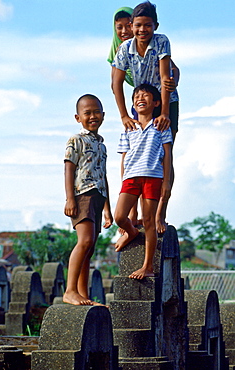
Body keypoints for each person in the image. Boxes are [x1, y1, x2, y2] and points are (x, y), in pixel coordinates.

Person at [112, 1, 179, 233]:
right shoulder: (125, 49)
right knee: (137, 154)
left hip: (165, 101)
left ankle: (159, 213)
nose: (143, 30)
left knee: (163, 154)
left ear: (155, 26)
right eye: (138, 25)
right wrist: (123, 116)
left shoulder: (161, 41)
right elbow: (116, 83)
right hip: (140, 103)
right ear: (132, 26)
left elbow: (165, 77)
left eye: (147, 26)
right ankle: (133, 214)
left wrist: (165, 114)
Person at [114, 83, 172, 279]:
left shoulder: (161, 125)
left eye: (146, 95)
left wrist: (166, 182)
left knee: (149, 222)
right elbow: (123, 158)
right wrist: (123, 180)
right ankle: (131, 233)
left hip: (153, 176)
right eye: (137, 96)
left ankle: (148, 266)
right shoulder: (128, 128)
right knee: (120, 217)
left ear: (156, 102)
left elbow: (167, 155)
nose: (140, 98)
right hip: (131, 177)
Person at [63, 94, 113, 305]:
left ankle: (81, 293)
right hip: (82, 194)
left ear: (103, 115)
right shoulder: (76, 140)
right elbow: (68, 169)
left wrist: (107, 209)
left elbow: (104, 177)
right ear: (78, 117)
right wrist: (70, 199)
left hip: (98, 197)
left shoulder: (101, 146)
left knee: (90, 246)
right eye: (87, 113)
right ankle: (70, 290)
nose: (93, 116)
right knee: (83, 241)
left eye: (96, 112)